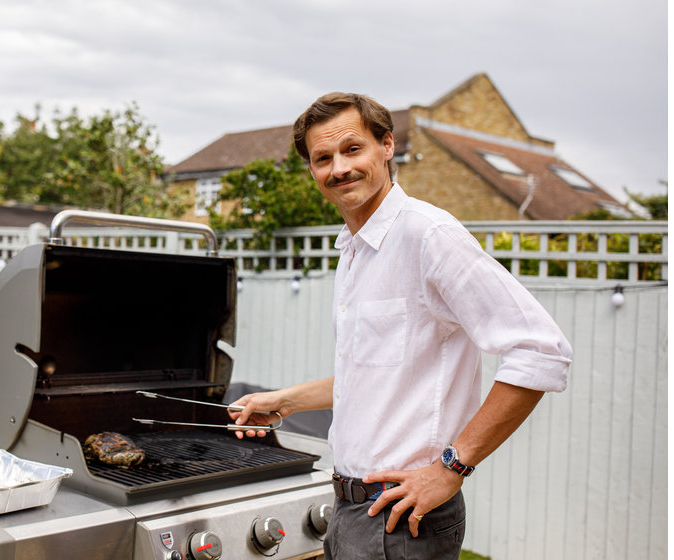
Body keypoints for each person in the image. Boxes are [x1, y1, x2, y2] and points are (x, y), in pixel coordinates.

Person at [228, 92, 572, 559]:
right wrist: (284, 401)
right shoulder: (353, 248)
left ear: (386, 145)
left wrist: (453, 467)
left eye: (353, 150)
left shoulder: (428, 235)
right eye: (322, 158)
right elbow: (382, 372)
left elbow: (541, 351)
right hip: (353, 511)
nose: (339, 169)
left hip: (401, 521)